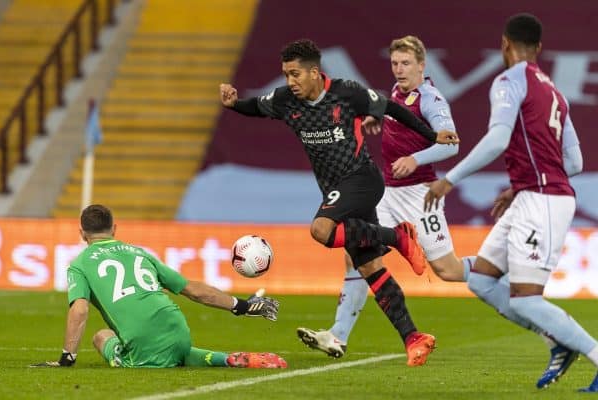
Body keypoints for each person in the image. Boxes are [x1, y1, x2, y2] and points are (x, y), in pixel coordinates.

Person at [220, 39, 459, 366]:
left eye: (295, 74)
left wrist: (432, 137)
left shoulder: (347, 93)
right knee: (370, 268)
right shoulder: (285, 100)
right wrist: (234, 104)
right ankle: (413, 337)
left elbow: (390, 107)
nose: (290, 82)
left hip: (362, 179)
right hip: (335, 190)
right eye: (286, 75)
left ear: (314, 72)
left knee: (321, 230)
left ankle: (397, 237)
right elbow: (255, 107)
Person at [424, 14, 598, 392]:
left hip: (543, 201)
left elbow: (498, 138)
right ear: (538, 48)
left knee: (524, 300)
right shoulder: (556, 94)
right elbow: (576, 163)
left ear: (505, 44)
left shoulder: (509, 80)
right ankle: (556, 341)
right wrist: (520, 185)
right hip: (533, 195)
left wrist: (449, 180)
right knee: (483, 281)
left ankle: (591, 352)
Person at [297, 35, 476, 362]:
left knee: (447, 270)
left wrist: (415, 159)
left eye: (406, 63)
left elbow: (450, 143)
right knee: (357, 256)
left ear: (422, 65)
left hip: (419, 195)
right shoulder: (397, 92)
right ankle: (337, 335)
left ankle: (495, 269)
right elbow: (396, 117)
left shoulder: (431, 99)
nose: (399, 70)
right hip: (387, 193)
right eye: (395, 63)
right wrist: (376, 119)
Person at [31, 204, 287, 369]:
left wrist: (67, 358)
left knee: (102, 337)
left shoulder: (79, 264)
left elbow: (80, 310)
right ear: (115, 229)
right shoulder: (141, 253)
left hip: (143, 344)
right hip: (178, 329)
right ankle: (222, 358)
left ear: (82, 233)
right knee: (175, 351)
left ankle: (220, 358)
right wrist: (241, 306)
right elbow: (193, 290)